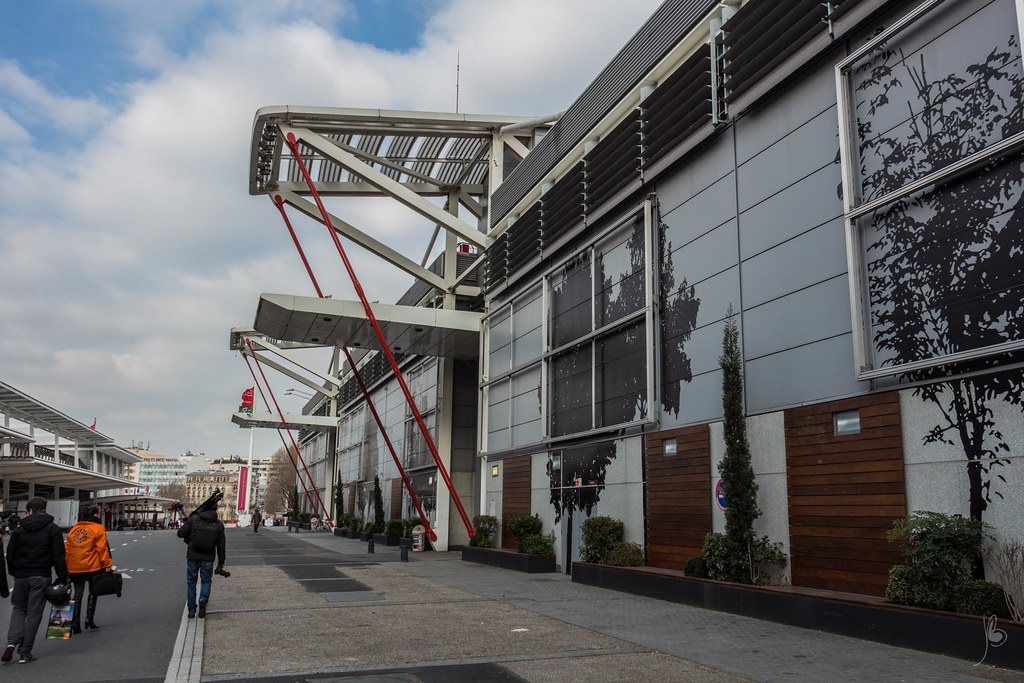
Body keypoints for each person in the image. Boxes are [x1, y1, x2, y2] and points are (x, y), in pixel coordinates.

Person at [3, 497, 69, 664]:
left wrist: (14, 572)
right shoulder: (52, 529)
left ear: (30, 510)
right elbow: (58, 555)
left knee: (18, 608)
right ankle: (25, 652)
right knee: (34, 614)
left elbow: (10, 555)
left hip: (21, 576)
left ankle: (11, 642)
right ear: (44, 508)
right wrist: (62, 577)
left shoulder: (19, 530)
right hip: (41, 575)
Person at [65, 505, 113, 633]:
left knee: (77, 594)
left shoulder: (75, 529)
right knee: (93, 591)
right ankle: (89, 619)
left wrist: (68, 566)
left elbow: (68, 549)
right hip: (92, 565)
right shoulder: (98, 528)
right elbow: (102, 548)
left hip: (75, 566)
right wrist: (107, 564)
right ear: (96, 515)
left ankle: (75, 622)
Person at [176, 505, 225, 619]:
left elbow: (180, 533)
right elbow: (221, 546)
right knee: (206, 581)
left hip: (193, 555)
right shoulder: (218, 525)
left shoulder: (194, 519)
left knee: (191, 582)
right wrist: (221, 561)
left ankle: (191, 611)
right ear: (216, 510)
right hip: (208, 557)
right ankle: (203, 599)